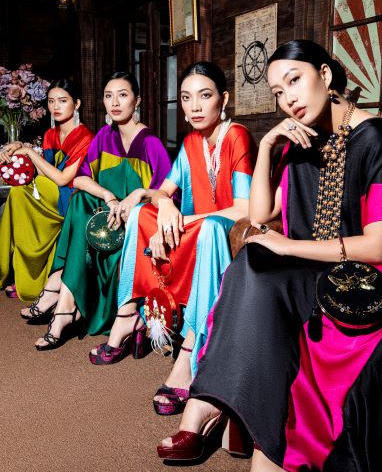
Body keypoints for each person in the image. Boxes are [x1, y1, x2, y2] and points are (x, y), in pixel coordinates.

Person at [157, 40, 382, 472]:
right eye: (276, 91)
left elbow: (379, 246)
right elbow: (260, 214)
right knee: (249, 263)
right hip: (309, 266)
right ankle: (205, 405)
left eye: (295, 80)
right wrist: (269, 145)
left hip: (363, 281)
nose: (287, 97)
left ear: (326, 75)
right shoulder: (296, 138)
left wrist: (288, 245)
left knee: (267, 277)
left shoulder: (375, 137)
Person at [89, 62, 257, 399]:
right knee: (141, 212)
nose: (194, 107)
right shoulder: (192, 141)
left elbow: (244, 210)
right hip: (194, 227)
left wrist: (178, 220)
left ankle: (192, 347)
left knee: (209, 228)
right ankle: (128, 313)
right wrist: (161, 201)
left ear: (224, 99)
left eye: (205, 96)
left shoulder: (237, 136)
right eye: (186, 98)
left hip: (223, 230)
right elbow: (164, 190)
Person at [30, 71, 172, 349]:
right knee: (81, 199)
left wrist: (134, 203)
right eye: (108, 96)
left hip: (136, 226)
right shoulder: (104, 137)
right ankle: (65, 306)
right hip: (106, 219)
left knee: (82, 207)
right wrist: (108, 196)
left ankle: (62, 301)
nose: (114, 103)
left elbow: (166, 197)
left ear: (137, 101)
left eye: (123, 95)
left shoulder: (150, 143)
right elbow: (79, 179)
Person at [0, 79, 93, 302]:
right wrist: (16, 151)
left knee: (20, 195)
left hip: (71, 197)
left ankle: (22, 275)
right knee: (18, 193)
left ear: (77, 104)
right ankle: (26, 277)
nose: (56, 106)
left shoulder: (86, 137)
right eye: (51, 101)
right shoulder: (51, 134)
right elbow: (44, 173)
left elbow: (63, 179)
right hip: (50, 190)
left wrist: (29, 152)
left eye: (62, 101)